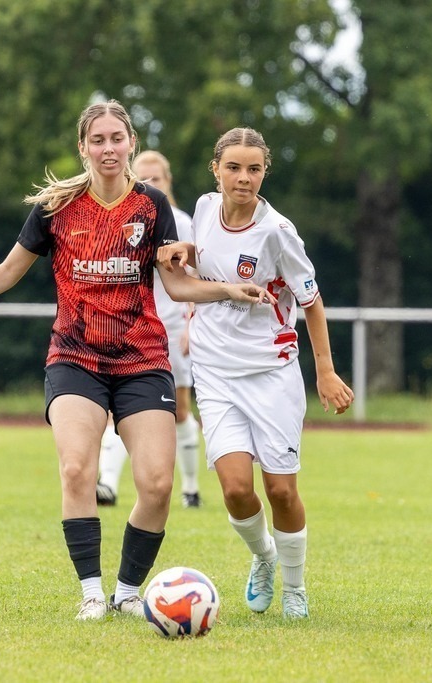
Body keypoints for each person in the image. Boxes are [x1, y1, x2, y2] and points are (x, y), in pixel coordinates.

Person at [0, 100, 274, 621]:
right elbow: (11, 269)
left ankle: (126, 589)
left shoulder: (152, 206)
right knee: (77, 467)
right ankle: (93, 593)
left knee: (158, 484)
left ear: (131, 144)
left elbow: (178, 283)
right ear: (83, 148)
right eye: (97, 140)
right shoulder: (57, 209)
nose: (108, 148)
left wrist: (230, 290)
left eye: (116, 138)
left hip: (141, 357)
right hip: (75, 357)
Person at [158, 127, 354, 619]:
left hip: (272, 374)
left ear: (265, 172)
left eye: (254, 169)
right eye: (234, 168)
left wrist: (325, 373)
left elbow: (311, 302)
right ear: (216, 170)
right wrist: (186, 251)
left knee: (281, 490)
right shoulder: (203, 209)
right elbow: (206, 257)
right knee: (236, 489)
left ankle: (294, 586)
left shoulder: (278, 232)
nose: (243, 178)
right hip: (215, 372)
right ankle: (264, 559)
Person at [96, 150, 204, 509]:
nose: (149, 185)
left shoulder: (183, 222)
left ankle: (190, 487)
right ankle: (108, 483)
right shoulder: (120, 217)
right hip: (127, 325)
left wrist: (192, 322)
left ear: (167, 180)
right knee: (117, 406)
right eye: (143, 178)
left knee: (179, 409)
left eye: (156, 178)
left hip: (171, 326)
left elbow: (195, 278)